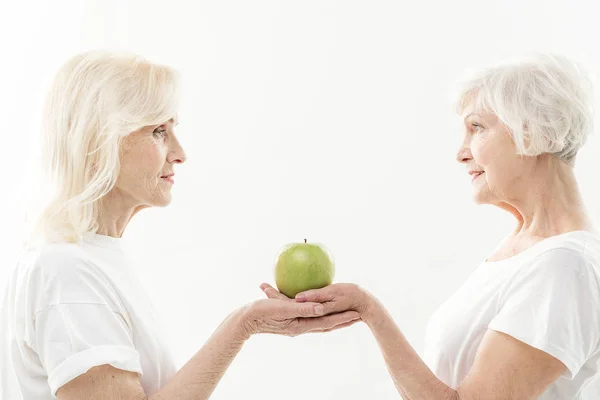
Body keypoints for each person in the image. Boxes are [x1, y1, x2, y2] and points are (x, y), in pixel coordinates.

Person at [0, 51, 361, 400]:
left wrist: (245, 323)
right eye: (158, 130)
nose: (180, 152)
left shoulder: (92, 257)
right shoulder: (66, 271)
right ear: (100, 142)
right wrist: (242, 325)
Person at [262, 53, 600, 399]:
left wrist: (369, 310)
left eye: (477, 128)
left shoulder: (564, 266)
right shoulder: (526, 249)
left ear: (531, 129)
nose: (461, 153)